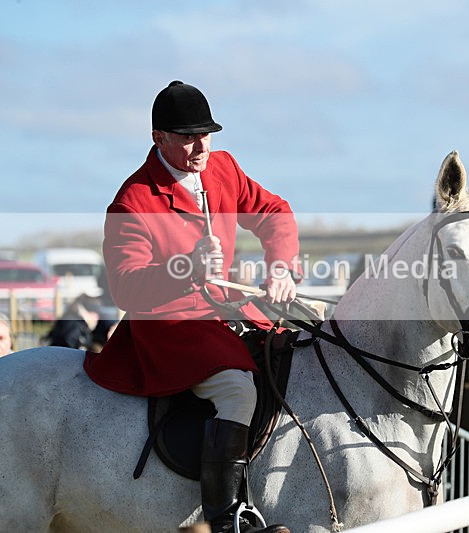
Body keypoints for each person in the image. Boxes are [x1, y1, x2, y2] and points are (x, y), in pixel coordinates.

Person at [84, 81, 300, 533]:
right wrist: (184, 267)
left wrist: (280, 269)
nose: (200, 146)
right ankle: (226, 519)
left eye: (206, 134)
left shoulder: (223, 168)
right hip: (169, 323)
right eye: (187, 137)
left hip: (225, 310)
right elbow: (124, 288)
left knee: (302, 353)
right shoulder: (132, 201)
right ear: (158, 138)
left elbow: (274, 213)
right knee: (238, 390)